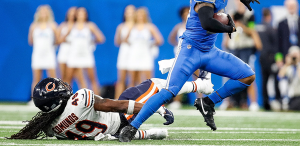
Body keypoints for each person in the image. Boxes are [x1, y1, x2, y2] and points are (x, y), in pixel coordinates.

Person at [119, 0, 260, 142]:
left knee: (247, 75)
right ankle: (131, 127)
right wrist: (229, 28)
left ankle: (208, 102)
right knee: (169, 92)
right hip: (191, 51)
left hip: (209, 51)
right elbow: (207, 23)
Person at [9, 74, 214, 140]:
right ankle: (201, 85)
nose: (64, 86)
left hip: (113, 131)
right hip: (122, 120)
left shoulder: (51, 127)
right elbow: (118, 105)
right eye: (60, 87)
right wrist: (157, 108)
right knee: (157, 85)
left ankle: (147, 134)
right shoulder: (80, 98)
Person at [63, 7, 105, 95]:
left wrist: (91, 41)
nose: (81, 15)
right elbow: (61, 40)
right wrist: (68, 32)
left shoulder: (90, 26)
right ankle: (65, 100)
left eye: (83, 13)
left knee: (92, 78)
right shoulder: (71, 26)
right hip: (73, 55)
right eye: (79, 13)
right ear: (76, 15)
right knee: (68, 79)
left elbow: (101, 38)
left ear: (86, 15)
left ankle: (97, 101)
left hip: (86, 55)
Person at [126, 7, 164, 87]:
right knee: (132, 79)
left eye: (142, 15)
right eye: (138, 15)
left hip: (145, 55)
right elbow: (125, 40)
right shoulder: (132, 27)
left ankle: (149, 98)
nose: (140, 17)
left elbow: (159, 40)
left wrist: (150, 44)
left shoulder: (150, 27)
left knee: (148, 79)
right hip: (134, 54)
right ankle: (132, 98)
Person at [28, 5, 58, 95]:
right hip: (37, 55)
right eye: (42, 12)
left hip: (49, 54)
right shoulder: (34, 26)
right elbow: (30, 41)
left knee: (52, 78)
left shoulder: (53, 25)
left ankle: (54, 97)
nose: (43, 14)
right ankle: (34, 98)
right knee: (36, 78)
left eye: (45, 12)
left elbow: (57, 40)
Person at [114, 5, 136, 99]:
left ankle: (129, 100)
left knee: (132, 79)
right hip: (123, 53)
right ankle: (117, 100)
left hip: (134, 53)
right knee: (121, 79)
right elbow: (117, 42)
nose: (129, 13)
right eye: (127, 11)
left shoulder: (137, 26)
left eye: (132, 11)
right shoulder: (121, 27)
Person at [57, 7, 77, 80]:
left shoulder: (78, 26)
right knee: (63, 78)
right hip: (64, 53)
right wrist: (68, 32)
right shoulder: (63, 25)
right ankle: (64, 91)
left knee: (76, 77)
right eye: (70, 13)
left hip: (75, 53)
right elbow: (58, 41)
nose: (72, 15)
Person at [278, 46, 300, 111]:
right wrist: (287, 63)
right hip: (292, 98)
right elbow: (280, 77)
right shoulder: (288, 68)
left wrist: (298, 63)